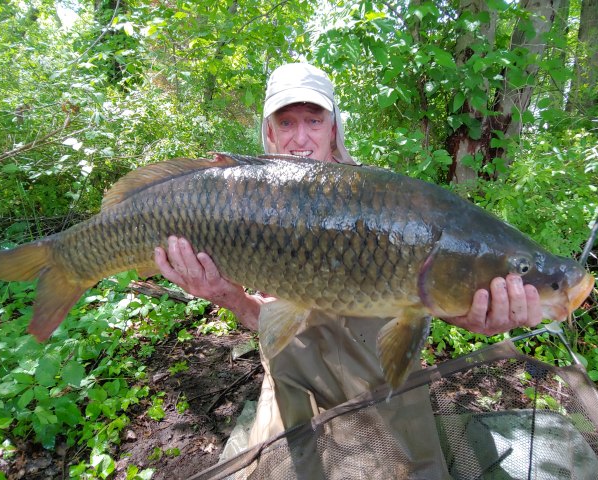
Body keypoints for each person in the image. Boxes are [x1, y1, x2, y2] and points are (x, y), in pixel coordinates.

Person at [154, 63, 543, 473]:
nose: (299, 137)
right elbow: (265, 319)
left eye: (313, 120)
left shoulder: (388, 198)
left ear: (334, 128)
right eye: (286, 122)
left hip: (377, 385)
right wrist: (224, 295)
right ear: (268, 132)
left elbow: (431, 294)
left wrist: (476, 315)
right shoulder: (249, 201)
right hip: (294, 383)